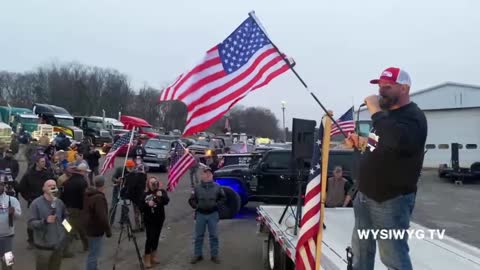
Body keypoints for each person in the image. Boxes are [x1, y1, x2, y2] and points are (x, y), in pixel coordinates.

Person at [345, 67, 427, 270]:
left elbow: (397, 140)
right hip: (365, 194)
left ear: (404, 88)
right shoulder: (385, 117)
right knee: (361, 251)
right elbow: (376, 144)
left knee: (393, 257)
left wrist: (374, 111)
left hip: (391, 200)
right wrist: (361, 141)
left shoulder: (413, 117)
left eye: (387, 87)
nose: (381, 91)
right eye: (380, 86)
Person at [188, 163, 226, 264]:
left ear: (212, 175)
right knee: (198, 236)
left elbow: (223, 198)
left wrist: (216, 205)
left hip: (213, 214)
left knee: (214, 236)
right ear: (202, 175)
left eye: (209, 173)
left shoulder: (217, 187)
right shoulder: (197, 188)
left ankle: (214, 255)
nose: (208, 175)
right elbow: (191, 200)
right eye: (205, 173)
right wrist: (197, 206)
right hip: (200, 214)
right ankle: (198, 255)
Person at [28, 180, 68, 270]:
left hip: (57, 247)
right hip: (43, 248)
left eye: (54, 186)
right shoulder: (36, 204)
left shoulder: (59, 203)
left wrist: (66, 231)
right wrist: (45, 221)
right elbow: (30, 224)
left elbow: (65, 216)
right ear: (44, 188)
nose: (52, 187)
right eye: (49, 185)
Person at [18, 156, 54, 249]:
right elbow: (22, 188)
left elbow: (53, 186)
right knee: (32, 221)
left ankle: (45, 238)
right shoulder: (29, 174)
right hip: (33, 201)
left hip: (46, 201)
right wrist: (28, 198)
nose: (44, 163)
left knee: (46, 219)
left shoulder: (47, 174)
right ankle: (31, 240)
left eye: (44, 161)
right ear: (37, 163)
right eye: (42, 161)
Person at [83, 175, 112, 270]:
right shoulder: (99, 198)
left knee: (93, 252)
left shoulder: (89, 194)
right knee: (94, 254)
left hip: (89, 227)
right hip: (95, 229)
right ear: (103, 185)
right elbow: (102, 217)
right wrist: (108, 231)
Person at [60, 163, 89, 255]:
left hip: (66, 209)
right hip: (78, 210)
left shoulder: (66, 182)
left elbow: (62, 197)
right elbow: (84, 197)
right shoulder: (83, 182)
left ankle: (87, 245)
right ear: (82, 172)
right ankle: (65, 250)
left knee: (72, 228)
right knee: (72, 230)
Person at [140, 177, 169, 268]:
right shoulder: (145, 194)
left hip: (159, 219)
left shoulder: (161, 192)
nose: (154, 184)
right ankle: (147, 257)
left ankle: (153, 255)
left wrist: (161, 196)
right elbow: (141, 208)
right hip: (149, 220)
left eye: (155, 182)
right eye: (151, 183)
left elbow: (166, 201)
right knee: (150, 238)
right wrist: (147, 204)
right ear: (148, 184)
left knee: (156, 237)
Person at [0, 179, 21, 270]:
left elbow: (18, 216)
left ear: (4, 186)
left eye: (0, 184)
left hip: (7, 236)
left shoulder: (12, 200)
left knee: (8, 261)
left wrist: (13, 213)